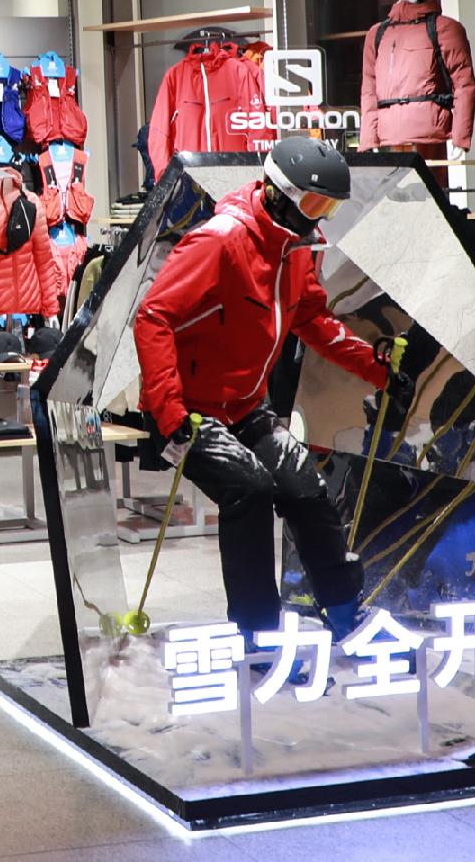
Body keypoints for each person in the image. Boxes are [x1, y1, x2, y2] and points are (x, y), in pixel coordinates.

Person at [133, 137, 413, 640]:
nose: (319, 218)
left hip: (244, 405)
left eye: (328, 208)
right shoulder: (220, 241)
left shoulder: (295, 249)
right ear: (279, 193)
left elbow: (312, 319)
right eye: (314, 204)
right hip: (189, 410)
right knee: (250, 489)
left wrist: (377, 371)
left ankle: (345, 611)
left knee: (305, 487)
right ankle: (258, 634)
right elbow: (153, 317)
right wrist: (170, 414)